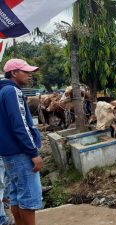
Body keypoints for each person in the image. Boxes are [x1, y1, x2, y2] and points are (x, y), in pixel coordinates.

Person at [0, 59, 43, 225]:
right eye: (25, 71)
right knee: (29, 199)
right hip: (21, 153)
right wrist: (33, 152)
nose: (29, 75)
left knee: (17, 196)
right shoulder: (13, 92)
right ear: (14, 73)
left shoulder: (3, 91)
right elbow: (20, 125)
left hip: (8, 153)